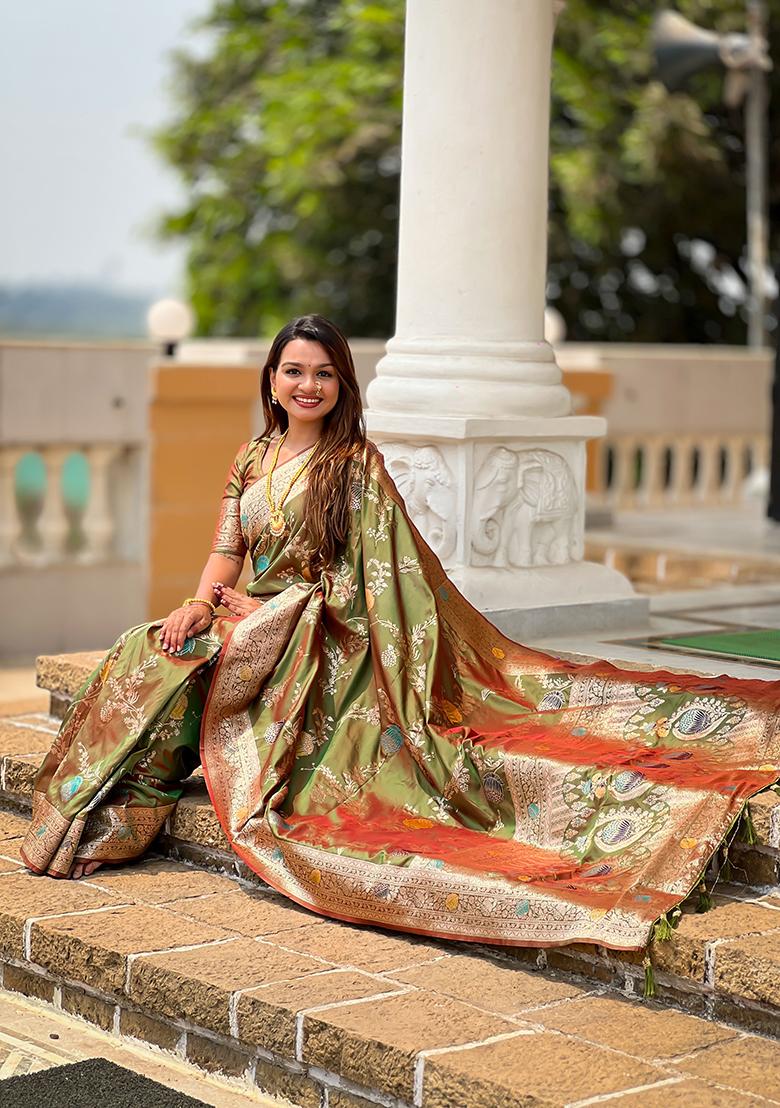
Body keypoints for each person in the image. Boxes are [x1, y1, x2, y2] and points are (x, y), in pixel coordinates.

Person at [21, 315, 780, 955]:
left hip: (318, 630)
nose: (306, 386)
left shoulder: (356, 465)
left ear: (342, 385)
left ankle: (122, 818)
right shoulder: (252, 457)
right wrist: (197, 602)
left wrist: (284, 615)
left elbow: (379, 580)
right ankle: (90, 810)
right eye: (292, 371)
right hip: (246, 609)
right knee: (146, 645)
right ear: (272, 379)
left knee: (196, 667)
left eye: (323, 373)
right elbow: (229, 548)